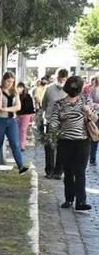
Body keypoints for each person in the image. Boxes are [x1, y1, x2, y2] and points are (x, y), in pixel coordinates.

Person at [50, 76, 94, 212]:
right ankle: (69, 199)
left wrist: (89, 112)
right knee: (68, 171)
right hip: (65, 142)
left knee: (80, 171)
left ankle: (81, 201)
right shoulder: (59, 104)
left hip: (83, 142)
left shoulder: (85, 101)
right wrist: (53, 129)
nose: (75, 90)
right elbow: (54, 121)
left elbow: (95, 118)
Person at [0, 72, 30, 176]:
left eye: (12, 82)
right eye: (8, 81)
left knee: (15, 144)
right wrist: (0, 94)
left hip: (11, 121)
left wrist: (6, 109)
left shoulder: (15, 92)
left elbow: (18, 107)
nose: (10, 84)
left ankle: (21, 167)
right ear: (3, 80)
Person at [41, 70, 68, 179]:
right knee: (49, 147)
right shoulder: (49, 88)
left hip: (63, 122)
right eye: (60, 79)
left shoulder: (69, 89)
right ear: (56, 77)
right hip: (50, 121)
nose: (61, 81)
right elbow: (44, 104)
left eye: (63, 79)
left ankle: (58, 171)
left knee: (62, 148)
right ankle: (49, 170)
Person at [16, 82, 35, 151]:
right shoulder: (16, 96)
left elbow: (31, 106)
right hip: (18, 114)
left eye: (21, 87)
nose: (19, 89)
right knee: (17, 130)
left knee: (23, 130)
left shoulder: (27, 96)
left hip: (26, 114)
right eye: (18, 87)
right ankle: (17, 144)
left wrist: (32, 114)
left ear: (23, 88)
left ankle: (22, 145)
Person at [86, 76, 99, 166]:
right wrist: (95, 105)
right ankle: (92, 159)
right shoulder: (93, 89)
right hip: (96, 115)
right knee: (95, 136)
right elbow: (89, 100)